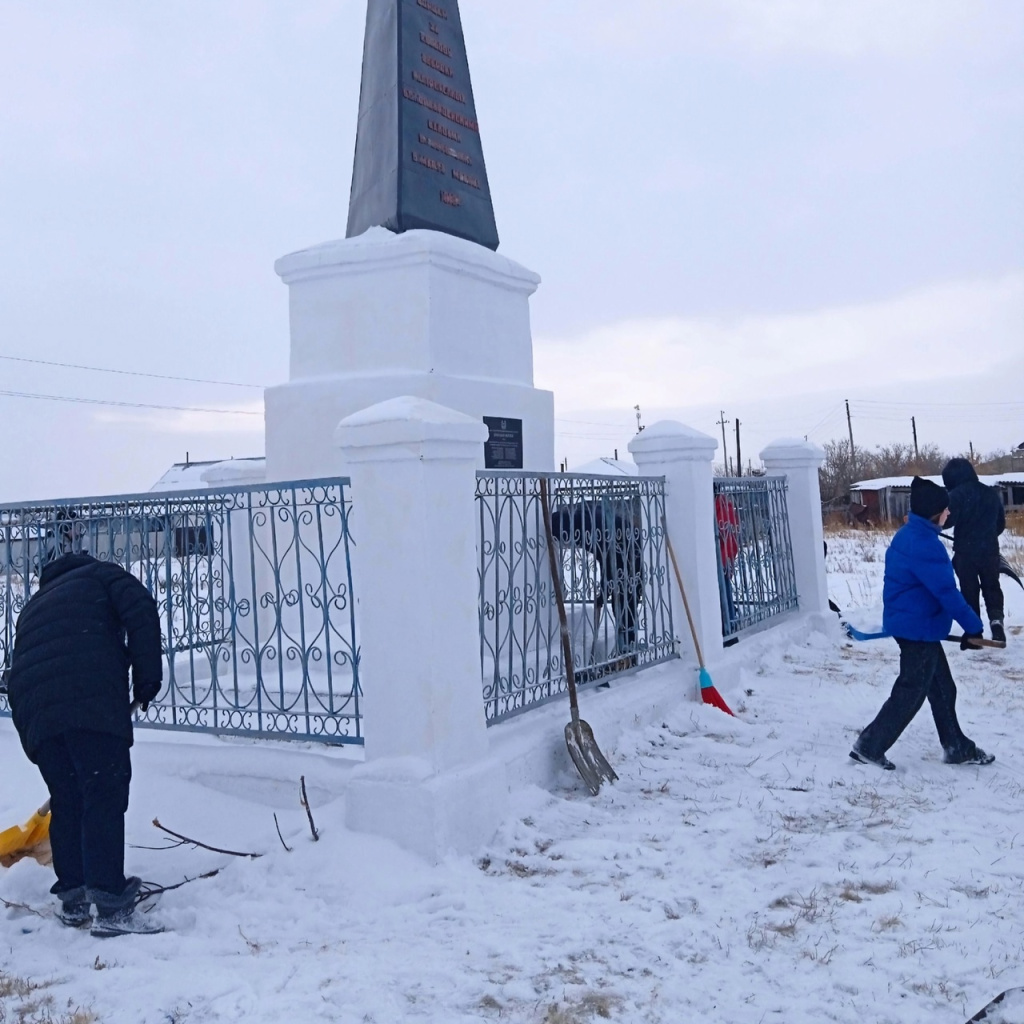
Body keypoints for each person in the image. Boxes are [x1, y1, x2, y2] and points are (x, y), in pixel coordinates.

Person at [7, 546, 164, 937]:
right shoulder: (102, 575)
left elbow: (18, 671)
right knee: (102, 792)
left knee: (69, 798)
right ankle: (111, 906)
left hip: (39, 714)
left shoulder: (35, 603)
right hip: (88, 700)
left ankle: (74, 899)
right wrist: (147, 680)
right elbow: (141, 608)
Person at [850, 476, 993, 771]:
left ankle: (956, 746)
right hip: (917, 629)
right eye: (945, 509)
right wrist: (973, 627)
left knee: (942, 688)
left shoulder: (911, 534)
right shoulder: (925, 544)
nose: (949, 513)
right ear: (934, 513)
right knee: (911, 690)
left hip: (915, 625)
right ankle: (870, 745)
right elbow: (946, 593)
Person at [941, 457, 1006, 644]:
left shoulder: (957, 495)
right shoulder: (990, 493)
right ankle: (996, 621)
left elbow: (948, 521)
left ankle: (974, 631)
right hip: (990, 551)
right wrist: (987, 535)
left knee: (969, 590)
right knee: (992, 586)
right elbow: (1000, 524)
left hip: (965, 553)